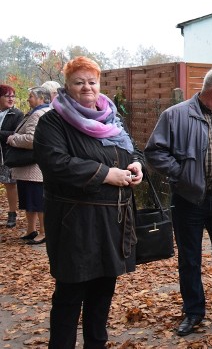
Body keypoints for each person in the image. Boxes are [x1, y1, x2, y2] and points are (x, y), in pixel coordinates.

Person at [33, 56, 144, 349]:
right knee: (70, 296)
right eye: (78, 82)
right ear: (67, 87)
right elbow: (56, 163)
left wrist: (136, 165)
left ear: (99, 84)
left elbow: (132, 150)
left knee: (102, 294)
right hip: (74, 224)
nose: (87, 88)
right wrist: (107, 174)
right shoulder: (52, 122)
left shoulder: (112, 118)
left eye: (92, 81)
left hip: (112, 223)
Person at [144, 66, 212, 337]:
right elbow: (154, 152)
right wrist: (182, 174)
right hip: (189, 201)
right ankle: (193, 312)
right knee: (190, 260)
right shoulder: (176, 115)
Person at [8, 87, 51, 245]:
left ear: (41, 98)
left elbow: (31, 140)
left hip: (33, 168)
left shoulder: (38, 114)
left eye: (31, 96)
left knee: (38, 202)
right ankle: (31, 229)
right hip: (28, 169)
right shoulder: (41, 112)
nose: (28, 99)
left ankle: (43, 232)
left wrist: (13, 138)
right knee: (29, 201)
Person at [0, 84, 24, 228]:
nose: (11, 99)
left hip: (7, 155)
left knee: (10, 184)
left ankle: (12, 213)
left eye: (13, 96)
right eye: (7, 95)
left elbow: (15, 134)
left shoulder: (17, 114)